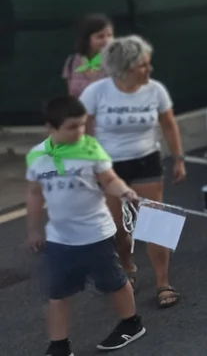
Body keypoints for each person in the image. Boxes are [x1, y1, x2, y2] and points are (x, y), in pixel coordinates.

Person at [27, 96, 147, 356]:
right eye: (72, 127)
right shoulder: (37, 156)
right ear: (51, 127)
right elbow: (35, 193)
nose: (80, 131)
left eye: (82, 125)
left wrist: (124, 191)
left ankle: (132, 323)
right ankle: (59, 345)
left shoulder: (90, 148)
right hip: (60, 239)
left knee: (113, 282)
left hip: (96, 235)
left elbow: (109, 180)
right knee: (57, 293)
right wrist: (34, 229)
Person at [79, 35, 185, 309]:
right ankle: (127, 265)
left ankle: (163, 282)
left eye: (148, 64)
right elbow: (84, 130)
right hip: (110, 166)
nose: (149, 70)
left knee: (155, 221)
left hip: (146, 161)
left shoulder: (155, 90)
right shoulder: (96, 92)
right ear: (123, 69)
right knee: (117, 228)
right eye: (143, 65)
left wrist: (178, 159)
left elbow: (168, 124)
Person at [64, 14, 113, 98]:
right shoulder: (72, 61)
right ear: (86, 39)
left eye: (110, 35)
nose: (107, 40)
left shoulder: (116, 62)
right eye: (100, 36)